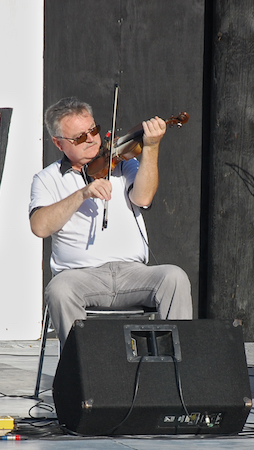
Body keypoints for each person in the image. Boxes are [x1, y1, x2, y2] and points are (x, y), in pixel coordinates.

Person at [29, 97, 193, 346]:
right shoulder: (46, 179)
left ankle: (176, 371)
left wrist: (151, 147)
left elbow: (144, 197)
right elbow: (40, 226)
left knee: (174, 277)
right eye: (79, 138)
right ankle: (82, 374)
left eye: (93, 130)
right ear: (58, 143)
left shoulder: (123, 163)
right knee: (58, 290)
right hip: (79, 277)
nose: (92, 139)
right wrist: (82, 194)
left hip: (133, 274)